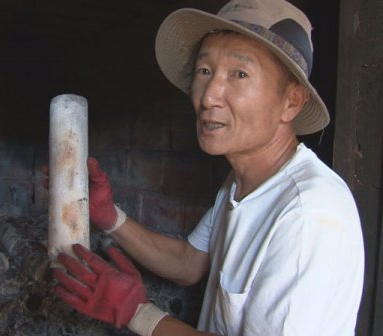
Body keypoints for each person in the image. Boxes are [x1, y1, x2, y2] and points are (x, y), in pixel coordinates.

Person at [49, 0, 365, 335]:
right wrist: (109, 216)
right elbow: (189, 263)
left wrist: (136, 312)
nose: (209, 96)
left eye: (239, 74)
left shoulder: (309, 215)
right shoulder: (241, 181)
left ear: (291, 101)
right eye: (205, 71)